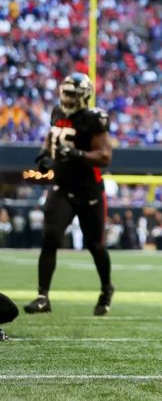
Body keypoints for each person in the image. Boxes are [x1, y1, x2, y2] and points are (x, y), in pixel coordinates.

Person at [24, 73, 115, 316]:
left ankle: (106, 289)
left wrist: (77, 155)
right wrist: (44, 156)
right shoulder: (57, 112)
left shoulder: (93, 119)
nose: (68, 98)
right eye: (66, 93)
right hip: (62, 185)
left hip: (89, 190)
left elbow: (105, 156)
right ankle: (43, 296)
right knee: (50, 236)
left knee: (95, 246)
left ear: (85, 96)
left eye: (73, 94)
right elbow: (52, 136)